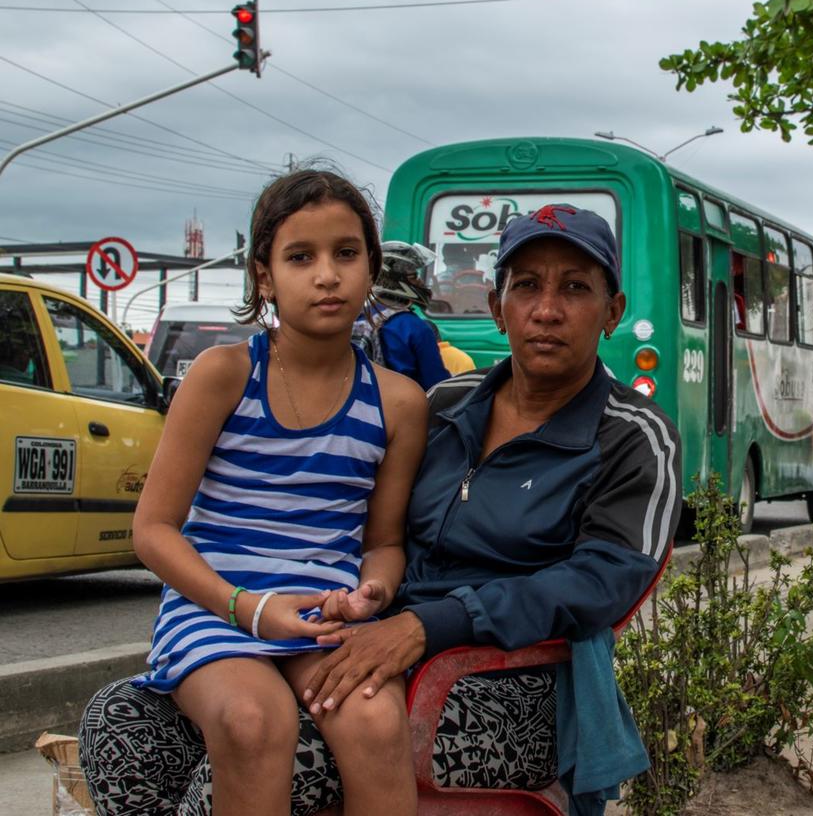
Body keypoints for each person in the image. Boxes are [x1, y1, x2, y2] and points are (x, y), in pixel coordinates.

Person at [80, 203, 680, 815]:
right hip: (365, 643)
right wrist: (353, 599)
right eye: (526, 286)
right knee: (123, 728)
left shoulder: (631, 434)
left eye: (575, 288)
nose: (547, 310)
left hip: (508, 683)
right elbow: (359, 524)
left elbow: (603, 580)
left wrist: (426, 625)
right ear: (498, 309)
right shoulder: (445, 406)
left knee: (260, 757)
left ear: (612, 312)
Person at [103, 169, 429, 815]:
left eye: (346, 253)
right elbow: (154, 530)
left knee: (376, 722)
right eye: (300, 257)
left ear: (371, 266)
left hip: (323, 620)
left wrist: (372, 594)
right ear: (263, 276)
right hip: (216, 610)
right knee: (253, 719)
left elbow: (385, 541)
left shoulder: (398, 402)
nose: (327, 275)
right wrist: (246, 609)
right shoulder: (222, 375)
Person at [352, 240, 450, 390]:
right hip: (404, 408)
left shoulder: (357, 317)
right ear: (395, 280)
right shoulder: (413, 327)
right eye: (414, 276)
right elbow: (437, 386)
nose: (420, 282)